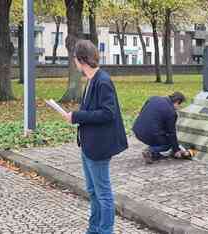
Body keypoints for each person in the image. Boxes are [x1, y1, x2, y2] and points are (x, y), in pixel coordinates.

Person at [62, 40, 128, 234]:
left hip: (98, 146)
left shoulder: (103, 80)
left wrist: (77, 116)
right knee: (92, 191)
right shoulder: (91, 80)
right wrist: (76, 115)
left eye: (74, 57)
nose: (73, 61)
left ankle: (105, 231)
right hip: (88, 145)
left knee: (103, 194)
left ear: (81, 59)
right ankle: (94, 229)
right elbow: (92, 110)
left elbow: (108, 113)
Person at [132, 92, 186, 164]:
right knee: (168, 143)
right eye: (180, 105)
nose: (178, 108)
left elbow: (142, 111)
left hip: (137, 129)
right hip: (149, 134)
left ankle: (155, 154)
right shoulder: (171, 112)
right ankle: (150, 151)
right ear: (177, 102)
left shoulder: (153, 98)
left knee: (158, 134)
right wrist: (176, 150)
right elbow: (171, 133)